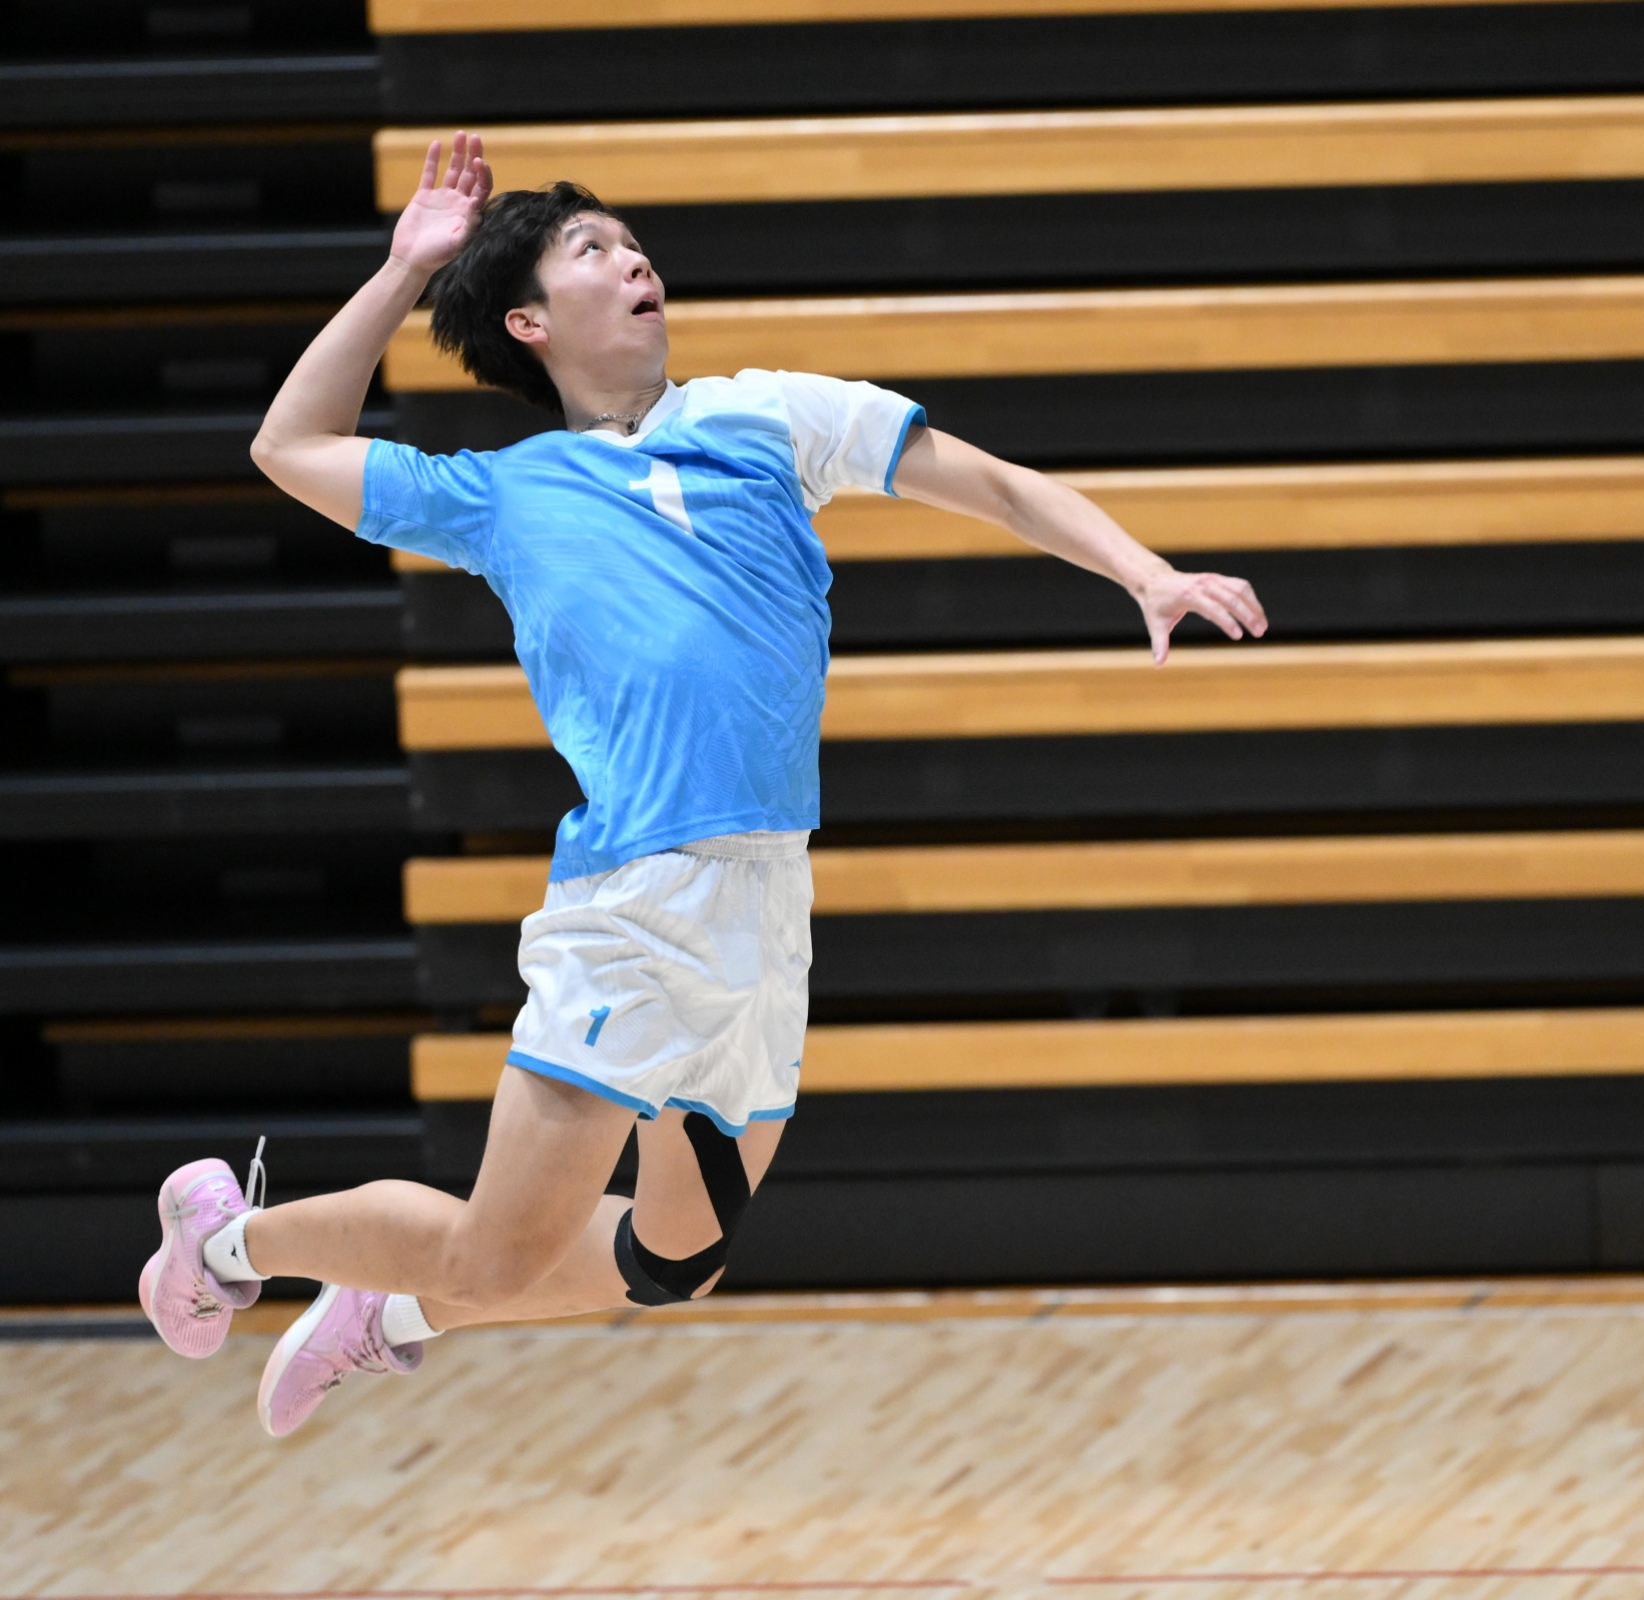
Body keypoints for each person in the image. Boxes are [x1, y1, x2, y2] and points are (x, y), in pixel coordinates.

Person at [139, 132, 1268, 1436]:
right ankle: (224, 1244)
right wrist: (404, 271)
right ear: (528, 322)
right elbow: (289, 444)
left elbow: (995, 483)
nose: (635, 261)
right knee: (494, 1256)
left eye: (634, 244)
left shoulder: (769, 415)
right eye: (593, 250)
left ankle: (379, 1317)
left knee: (671, 1260)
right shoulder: (503, 495)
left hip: (765, 904)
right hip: (635, 904)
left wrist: (1143, 571)